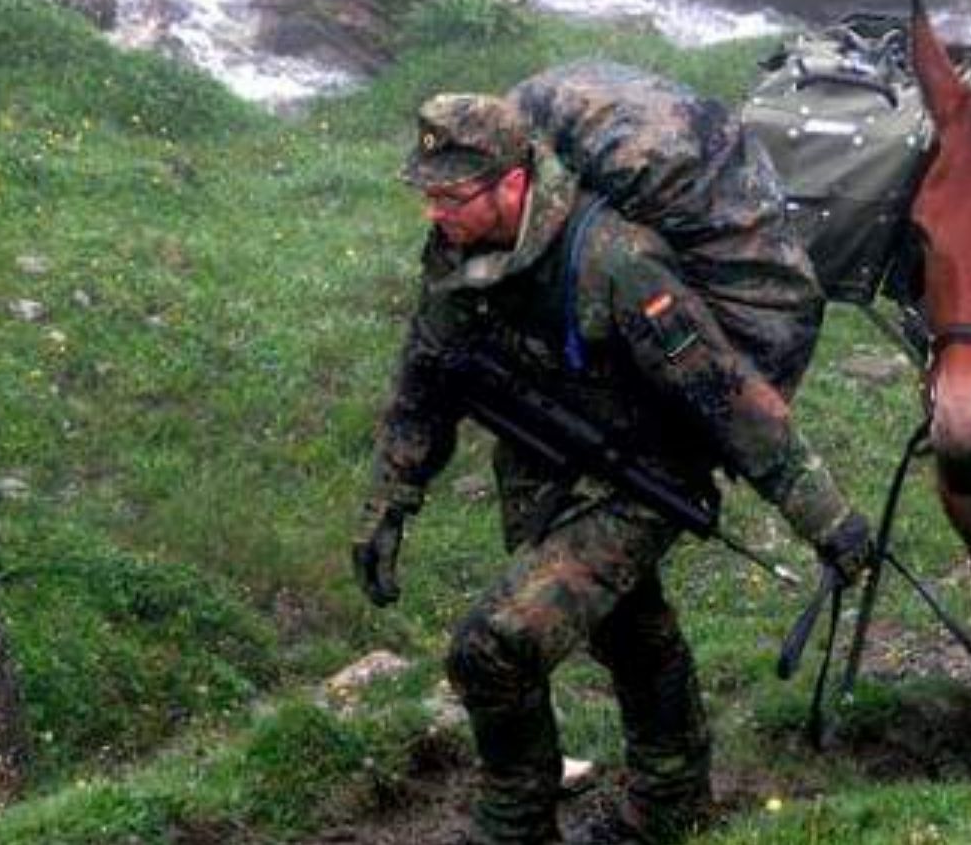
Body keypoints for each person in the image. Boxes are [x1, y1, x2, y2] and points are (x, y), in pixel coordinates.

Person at [352, 69, 874, 845]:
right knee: (629, 629)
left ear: (513, 183)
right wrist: (388, 500)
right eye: (428, 195)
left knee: (493, 649)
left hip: (640, 480)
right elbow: (425, 375)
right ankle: (671, 802)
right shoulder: (455, 260)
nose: (435, 212)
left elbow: (727, 396)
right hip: (550, 472)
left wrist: (828, 518)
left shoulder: (617, 262)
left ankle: (514, 822)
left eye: (451, 197)